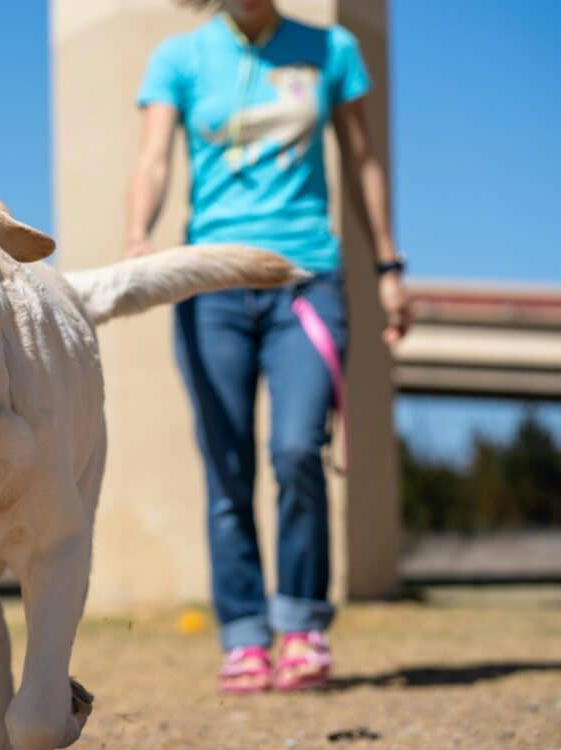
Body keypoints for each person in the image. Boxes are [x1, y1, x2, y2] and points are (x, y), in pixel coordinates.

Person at [126, 0, 410, 692]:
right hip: (212, 282)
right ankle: (246, 634)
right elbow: (155, 158)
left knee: (295, 448)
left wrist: (390, 267)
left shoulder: (330, 49)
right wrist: (139, 240)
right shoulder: (180, 59)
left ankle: (304, 624)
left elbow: (363, 160)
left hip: (305, 279)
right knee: (228, 471)